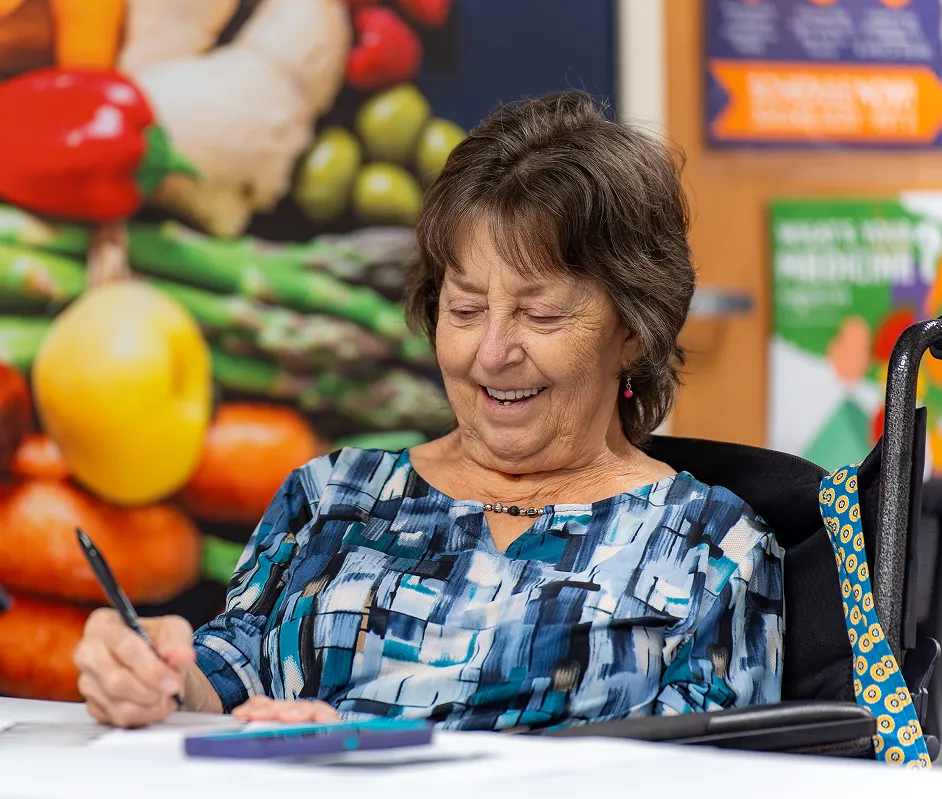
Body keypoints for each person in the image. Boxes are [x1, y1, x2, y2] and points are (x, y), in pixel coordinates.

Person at [73, 90, 784, 731]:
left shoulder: (713, 547)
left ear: (633, 330)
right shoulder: (331, 497)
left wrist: (377, 754)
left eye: (540, 313)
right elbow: (226, 673)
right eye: (466, 308)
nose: (492, 352)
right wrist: (157, 674)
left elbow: (711, 773)